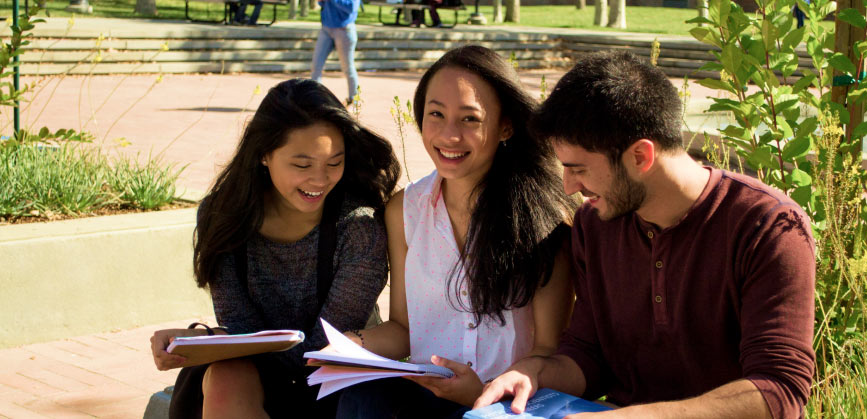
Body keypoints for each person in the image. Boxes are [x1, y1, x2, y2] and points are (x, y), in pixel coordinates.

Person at [476, 50, 816, 419]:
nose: (569, 186)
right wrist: (534, 372)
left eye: (578, 169)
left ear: (641, 156)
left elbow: (779, 391)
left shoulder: (768, 226)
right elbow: (588, 355)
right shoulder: (595, 225)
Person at [332, 45, 578, 419]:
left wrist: (480, 393)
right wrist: (353, 345)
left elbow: (550, 351)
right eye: (436, 114)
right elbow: (403, 327)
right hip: (424, 397)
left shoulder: (543, 218)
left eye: (469, 119)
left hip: (502, 408)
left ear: (505, 127)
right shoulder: (403, 211)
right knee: (361, 398)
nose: (448, 135)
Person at [149, 78, 401, 419]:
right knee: (226, 377)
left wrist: (216, 340)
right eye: (302, 165)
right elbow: (240, 325)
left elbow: (322, 348)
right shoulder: (223, 215)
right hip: (252, 375)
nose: (320, 179)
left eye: (334, 162)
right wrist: (197, 342)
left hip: (335, 375)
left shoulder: (358, 226)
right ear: (264, 154)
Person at [310, 0, 361, 106]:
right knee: (316, 66)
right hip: (326, 28)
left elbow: (351, 8)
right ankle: (315, 98)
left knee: (347, 68)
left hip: (344, 30)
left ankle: (354, 100)